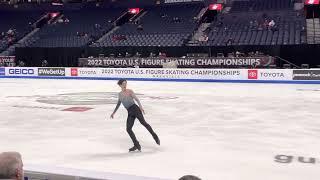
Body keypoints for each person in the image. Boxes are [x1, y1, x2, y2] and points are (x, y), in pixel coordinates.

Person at [110, 79, 160, 152]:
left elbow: (137, 99)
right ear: (120, 85)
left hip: (135, 109)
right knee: (128, 129)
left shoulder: (129, 91)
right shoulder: (120, 94)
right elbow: (118, 104)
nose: (125, 85)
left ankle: (154, 136)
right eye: (123, 84)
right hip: (130, 112)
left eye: (126, 83)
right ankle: (136, 144)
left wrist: (141, 107)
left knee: (144, 123)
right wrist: (113, 112)